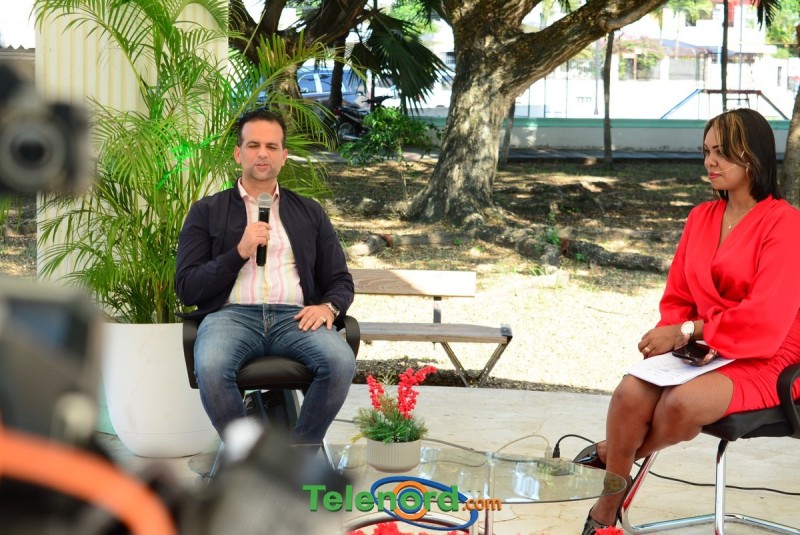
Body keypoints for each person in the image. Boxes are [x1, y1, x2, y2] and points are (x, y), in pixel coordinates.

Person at [576, 108, 800, 534]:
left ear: (752, 156)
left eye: (721, 153)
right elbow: (679, 296)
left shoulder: (786, 224)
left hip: (770, 355)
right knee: (629, 393)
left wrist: (688, 330)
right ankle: (610, 503)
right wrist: (680, 336)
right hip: (706, 346)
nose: (710, 162)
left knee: (681, 403)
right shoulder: (701, 218)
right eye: (706, 151)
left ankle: (610, 464)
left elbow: (765, 317)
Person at [175, 108, 356, 445]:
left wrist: (328, 307)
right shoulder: (207, 211)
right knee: (212, 367)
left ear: (284, 157)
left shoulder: (309, 212)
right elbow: (187, 287)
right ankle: (249, 459)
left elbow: (340, 280)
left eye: (272, 147)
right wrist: (239, 252)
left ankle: (298, 459)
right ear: (238, 153)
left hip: (295, 318)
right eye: (253, 145)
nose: (262, 153)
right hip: (230, 317)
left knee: (340, 361)